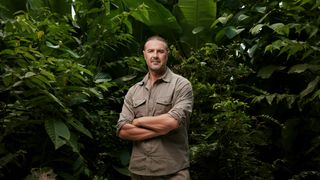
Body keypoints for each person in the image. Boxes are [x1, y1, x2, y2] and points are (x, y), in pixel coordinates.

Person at [116, 35, 194, 180]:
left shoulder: (181, 85)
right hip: (139, 172)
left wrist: (138, 121)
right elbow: (123, 130)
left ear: (167, 55)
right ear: (144, 55)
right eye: (151, 51)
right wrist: (162, 128)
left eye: (160, 51)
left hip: (173, 172)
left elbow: (171, 122)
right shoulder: (134, 91)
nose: (155, 56)